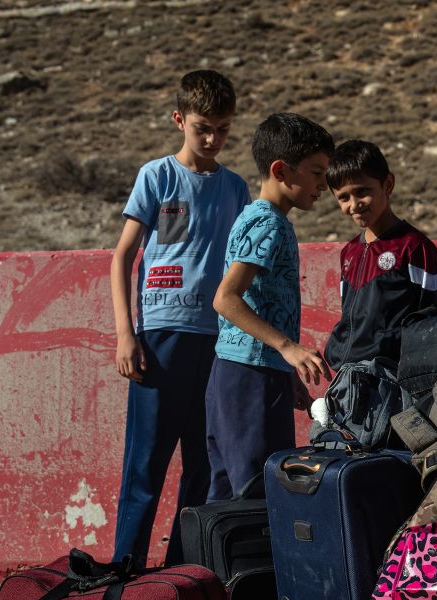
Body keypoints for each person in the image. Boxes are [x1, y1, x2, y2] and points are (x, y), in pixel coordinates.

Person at [108, 69, 250, 567]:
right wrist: (127, 335)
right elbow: (123, 256)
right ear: (179, 120)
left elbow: (242, 270)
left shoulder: (236, 189)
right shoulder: (157, 176)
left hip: (217, 343)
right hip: (160, 337)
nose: (212, 139)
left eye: (223, 129)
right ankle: (124, 568)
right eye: (202, 127)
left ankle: (181, 572)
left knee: (202, 465)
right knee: (145, 463)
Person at [205, 112, 334, 501]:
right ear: (281, 170)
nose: (323, 186)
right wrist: (286, 348)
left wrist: (284, 369)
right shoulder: (269, 223)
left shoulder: (259, 217)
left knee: (228, 492)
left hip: (244, 373)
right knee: (256, 494)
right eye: (316, 172)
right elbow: (226, 299)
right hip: (249, 378)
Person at [321, 139, 437, 369]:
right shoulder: (348, 253)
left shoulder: (414, 247)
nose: (354, 204)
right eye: (343, 197)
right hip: (347, 375)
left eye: (362, 192)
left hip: (393, 378)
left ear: (387, 184)